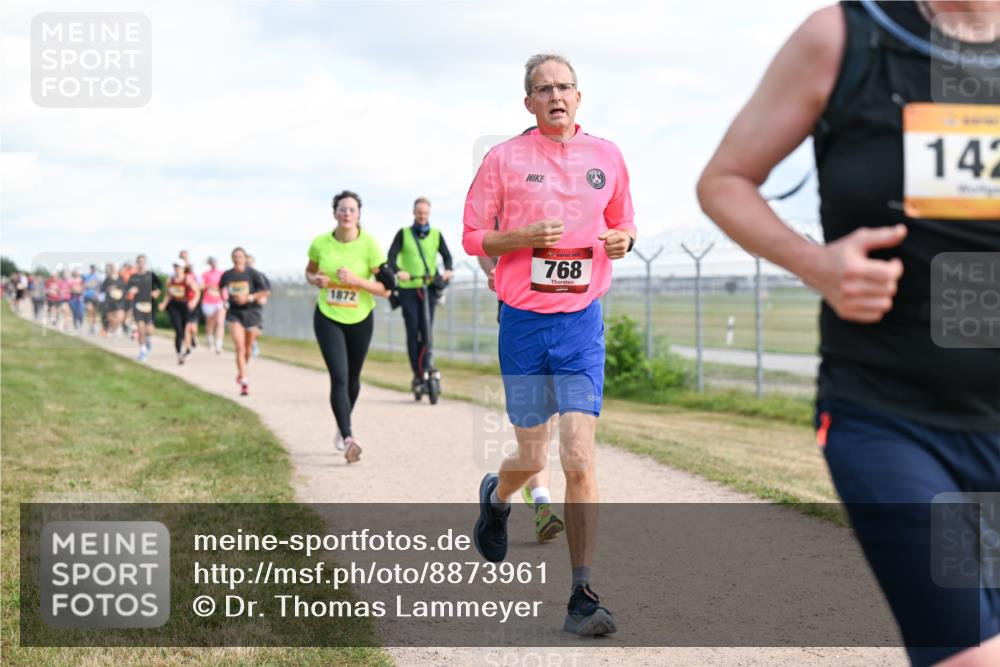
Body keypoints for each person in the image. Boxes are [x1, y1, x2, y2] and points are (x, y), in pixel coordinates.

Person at [696, 3, 999, 666]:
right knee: (971, 653)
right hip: (894, 416)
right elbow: (723, 180)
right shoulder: (845, 35)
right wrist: (816, 263)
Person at [463, 53, 636, 636]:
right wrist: (520, 237)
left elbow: (625, 222)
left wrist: (623, 241)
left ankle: (581, 594)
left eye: (565, 86)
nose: (556, 95)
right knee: (533, 457)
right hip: (523, 324)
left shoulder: (607, 156)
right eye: (544, 88)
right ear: (529, 102)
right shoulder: (503, 159)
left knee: (579, 455)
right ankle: (498, 495)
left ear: (579, 97)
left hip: (581, 323)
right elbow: (471, 236)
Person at [305, 190, 390, 464]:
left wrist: (355, 280)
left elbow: (384, 290)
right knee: (339, 377)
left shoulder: (370, 245)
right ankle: (348, 436)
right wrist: (315, 280)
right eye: (342, 209)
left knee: (353, 379)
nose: (347, 214)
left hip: (361, 318)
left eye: (352, 209)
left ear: (359, 214)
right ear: (334, 213)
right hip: (328, 316)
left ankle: (342, 426)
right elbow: (309, 271)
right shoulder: (321, 243)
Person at [387, 197, 455, 391]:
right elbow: (390, 258)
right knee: (413, 330)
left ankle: (426, 367)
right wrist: (399, 270)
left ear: (429, 213)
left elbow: (447, 256)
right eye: (419, 212)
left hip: (429, 288)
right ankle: (418, 373)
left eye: (425, 213)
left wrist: (448, 269)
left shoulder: (436, 234)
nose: (422, 216)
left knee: (426, 329)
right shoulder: (404, 234)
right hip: (408, 289)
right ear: (414, 212)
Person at [219, 247, 270, 396]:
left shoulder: (252, 273)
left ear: (245, 258)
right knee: (239, 347)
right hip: (234, 314)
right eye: (235, 256)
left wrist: (249, 297)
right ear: (231, 258)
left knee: (247, 349)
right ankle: (244, 381)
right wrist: (224, 300)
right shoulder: (227, 275)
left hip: (251, 312)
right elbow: (222, 289)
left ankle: (242, 371)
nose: (237, 259)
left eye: (240, 256)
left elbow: (266, 291)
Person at [160, 260, 201, 364]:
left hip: (185, 305)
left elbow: (197, 292)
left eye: (178, 267)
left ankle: (188, 348)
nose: (177, 268)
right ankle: (179, 353)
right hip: (174, 305)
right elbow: (169, 294)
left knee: (186, 329)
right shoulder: (170, 280)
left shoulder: (188, 279)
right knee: (178, 330)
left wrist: (193, 302)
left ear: (183, 268)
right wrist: (164, 303)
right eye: (175, 266)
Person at [126, 254, 163, 361]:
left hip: (150, 305)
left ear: (145, 263)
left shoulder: (151, 275)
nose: (141, 264)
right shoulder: (133, 277)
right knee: (141, 329)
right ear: (137, 263)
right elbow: (128, 288)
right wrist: (131, 290)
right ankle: (142, 351)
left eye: (143, 261)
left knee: (149, 330)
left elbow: (160, 285)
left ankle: (148, 340)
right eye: (139, 261)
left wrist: (157, 292)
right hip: (138, 304)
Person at [202, 256, 226, 354]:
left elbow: (226, 286)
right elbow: (200, 286)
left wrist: (225, 298)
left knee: (220, 323)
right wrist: (208, 285)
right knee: (210, 324)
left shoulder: (222, 273)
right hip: (208, 301)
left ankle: (219, 346)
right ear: (209, 263)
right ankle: (209, 340)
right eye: (212, 262)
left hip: (220, 301)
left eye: (215, 261)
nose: (214, 263)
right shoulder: (205, 274)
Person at [100, 263, 127, 336]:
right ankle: (111, 329)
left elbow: (125, 288)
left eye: (114, 268)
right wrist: (108, 289)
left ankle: (117, 328)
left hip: (119, 301)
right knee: (111, 318)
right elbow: (102, 290)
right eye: (111, 268)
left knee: (120, 317)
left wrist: (120, 291)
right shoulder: (107, 279)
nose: (113, 269)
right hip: (110, 301)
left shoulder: (121, 278)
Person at [82, 264, 101, 334]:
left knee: (94, 313)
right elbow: (84, 285)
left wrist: (97, 293)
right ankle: (90, 325)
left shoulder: (98, 277)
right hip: (88, 296)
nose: (93, 270)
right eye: (92, 269)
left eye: (94, 269)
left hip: (95, 297)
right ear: (90, 269)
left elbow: (100, 287)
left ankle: (92, 326)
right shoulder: (86, 276)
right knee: (89, 310)